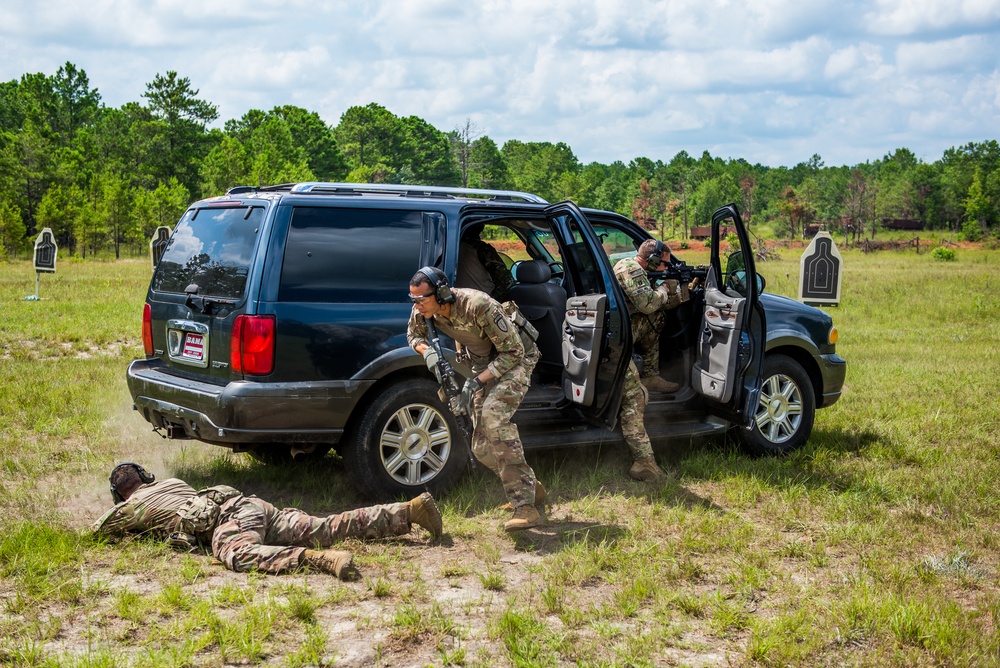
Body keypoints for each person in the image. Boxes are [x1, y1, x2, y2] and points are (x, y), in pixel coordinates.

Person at [93, 463, 443, 580]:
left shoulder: (130, 507)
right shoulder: (172, 482)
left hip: (229, 520)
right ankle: (409, 510)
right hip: (251, 505)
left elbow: (96, 532)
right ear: (145, 476)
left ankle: (317, 559)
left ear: (119, 495)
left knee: (237, 554)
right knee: (323, 526)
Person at [406, 266, 546, 532]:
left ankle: (525, 506)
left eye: (421, 299)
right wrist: (427, 353)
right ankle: (529, 486)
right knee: (481, 447)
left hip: (515, 360)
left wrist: (475, 382)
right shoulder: (422, 310)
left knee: (494, 416)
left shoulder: (478, 305)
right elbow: (413, 335)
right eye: (413, 299)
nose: (417, 305)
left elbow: (514, 351)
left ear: (442, 294)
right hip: (482, 364)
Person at [613, 238, 693, 394]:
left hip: (623, 322)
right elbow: (648, 305)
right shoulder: (631, 268)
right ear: (652, 260)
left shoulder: (644, 272)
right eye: (665, 263)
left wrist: (685, 291)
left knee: (657, 318)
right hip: (616, 329)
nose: (666, 268)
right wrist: (664, 288)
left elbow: (659, 304)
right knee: (653, 315)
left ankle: (650, 376)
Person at [454, 223, 515, 302]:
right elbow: (506, 281)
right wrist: (491, 302)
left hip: (458, 302)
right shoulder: (481, 249)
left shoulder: (449, 249)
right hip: (482, 303)